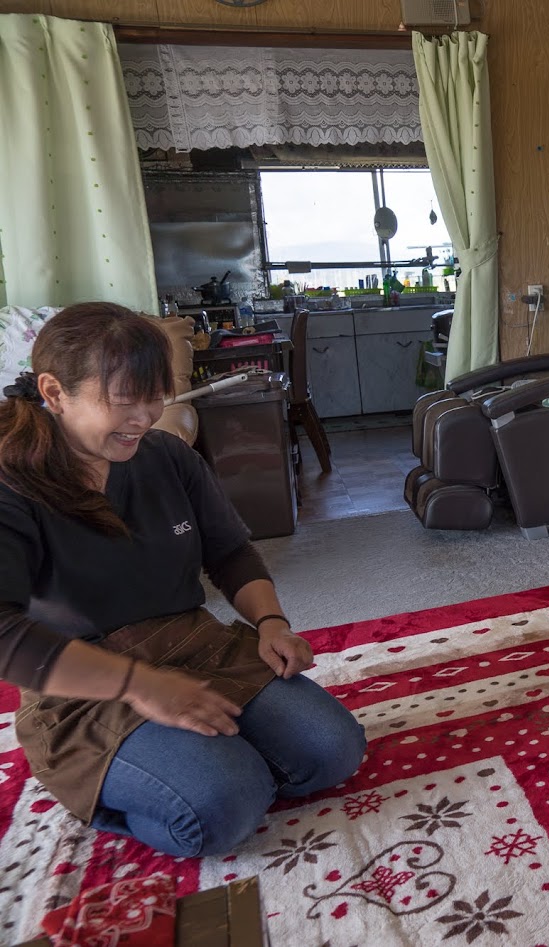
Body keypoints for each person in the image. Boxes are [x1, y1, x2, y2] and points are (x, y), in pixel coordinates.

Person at [0, 303, 365, 858]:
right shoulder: (12, 482)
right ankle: (112, 788)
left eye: (155, 396)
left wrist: (271, 622)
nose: (146, 417)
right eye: (125, 400)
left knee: (333, 751)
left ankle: (203, 765)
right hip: (83, 682)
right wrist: (142, 687)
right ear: (54, 393)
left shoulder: (165, 456)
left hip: (191, 645)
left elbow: (230, 550)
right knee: (225, 803)